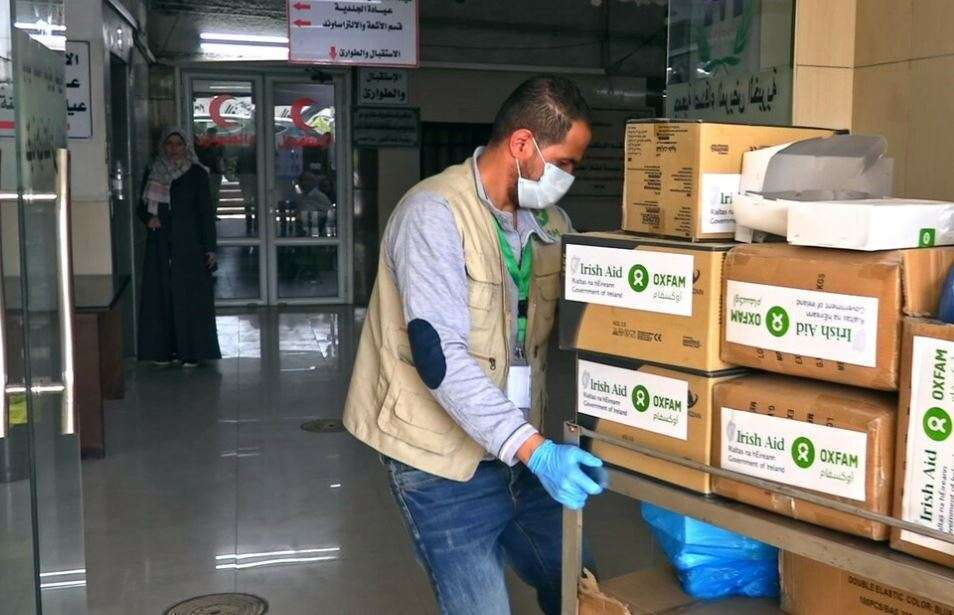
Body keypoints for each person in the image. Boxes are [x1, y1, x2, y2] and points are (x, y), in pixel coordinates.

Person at [343, 76, 605, 615]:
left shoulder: (552, 223)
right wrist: (537, 450)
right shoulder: (434, 213)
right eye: (565, 163)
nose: (569, 178)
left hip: (522, 446)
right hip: (443, 461)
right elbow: (438, 358)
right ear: (522, 144)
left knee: (580, 589)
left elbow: (583, 325)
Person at [137, 127, 222, 367]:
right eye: (169, 144)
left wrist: (210, 248)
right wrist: (148, 219)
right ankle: (164, 351)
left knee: (189, 297)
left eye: (178, 144)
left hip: (190, 244)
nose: (173, 149)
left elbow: (205, 212)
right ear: (163, 146)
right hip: (160, 242)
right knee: (161, 295)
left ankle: (191, 351)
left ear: (186, 147)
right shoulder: (154, 170)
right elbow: (141, 206)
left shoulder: (197, 173)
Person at [196, 127, 226, 217]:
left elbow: (223, 158)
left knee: (215, 195)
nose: (212, 136)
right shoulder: (203, 146)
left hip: (216, 173)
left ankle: (213, 214)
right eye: (211, 135)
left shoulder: (218, 146)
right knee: (210, 195)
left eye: (214, 135)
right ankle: (209, 214)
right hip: (208, 173)